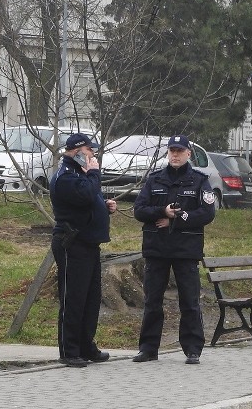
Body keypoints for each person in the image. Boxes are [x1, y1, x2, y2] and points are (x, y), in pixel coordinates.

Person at [132, 134, 217, 364]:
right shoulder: (155, 180)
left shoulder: (199, 181)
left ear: (189, 153)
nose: (176, 155)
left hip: (185, 250)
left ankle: (192, 349)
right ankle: (148, 348)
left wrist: (176, 219)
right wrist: (162, 212)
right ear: (168, 153)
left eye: (180, 151)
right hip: (157, 248)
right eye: (172, 151)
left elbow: (207, 213)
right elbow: (139, 209)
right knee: (152, 301)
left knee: (189, 301)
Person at [49, 132, 118, 367]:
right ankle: (69, 350)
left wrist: (104, 206)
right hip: (72, 243)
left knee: (90, 298)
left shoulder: (81, 174)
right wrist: (95, 174)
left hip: (89, 243)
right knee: (74, 298)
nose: (93, 156)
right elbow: (85, 193)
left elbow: (90, 198)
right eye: (90, 151)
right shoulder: (66, 176)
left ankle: (86, 344)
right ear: (77, 152)